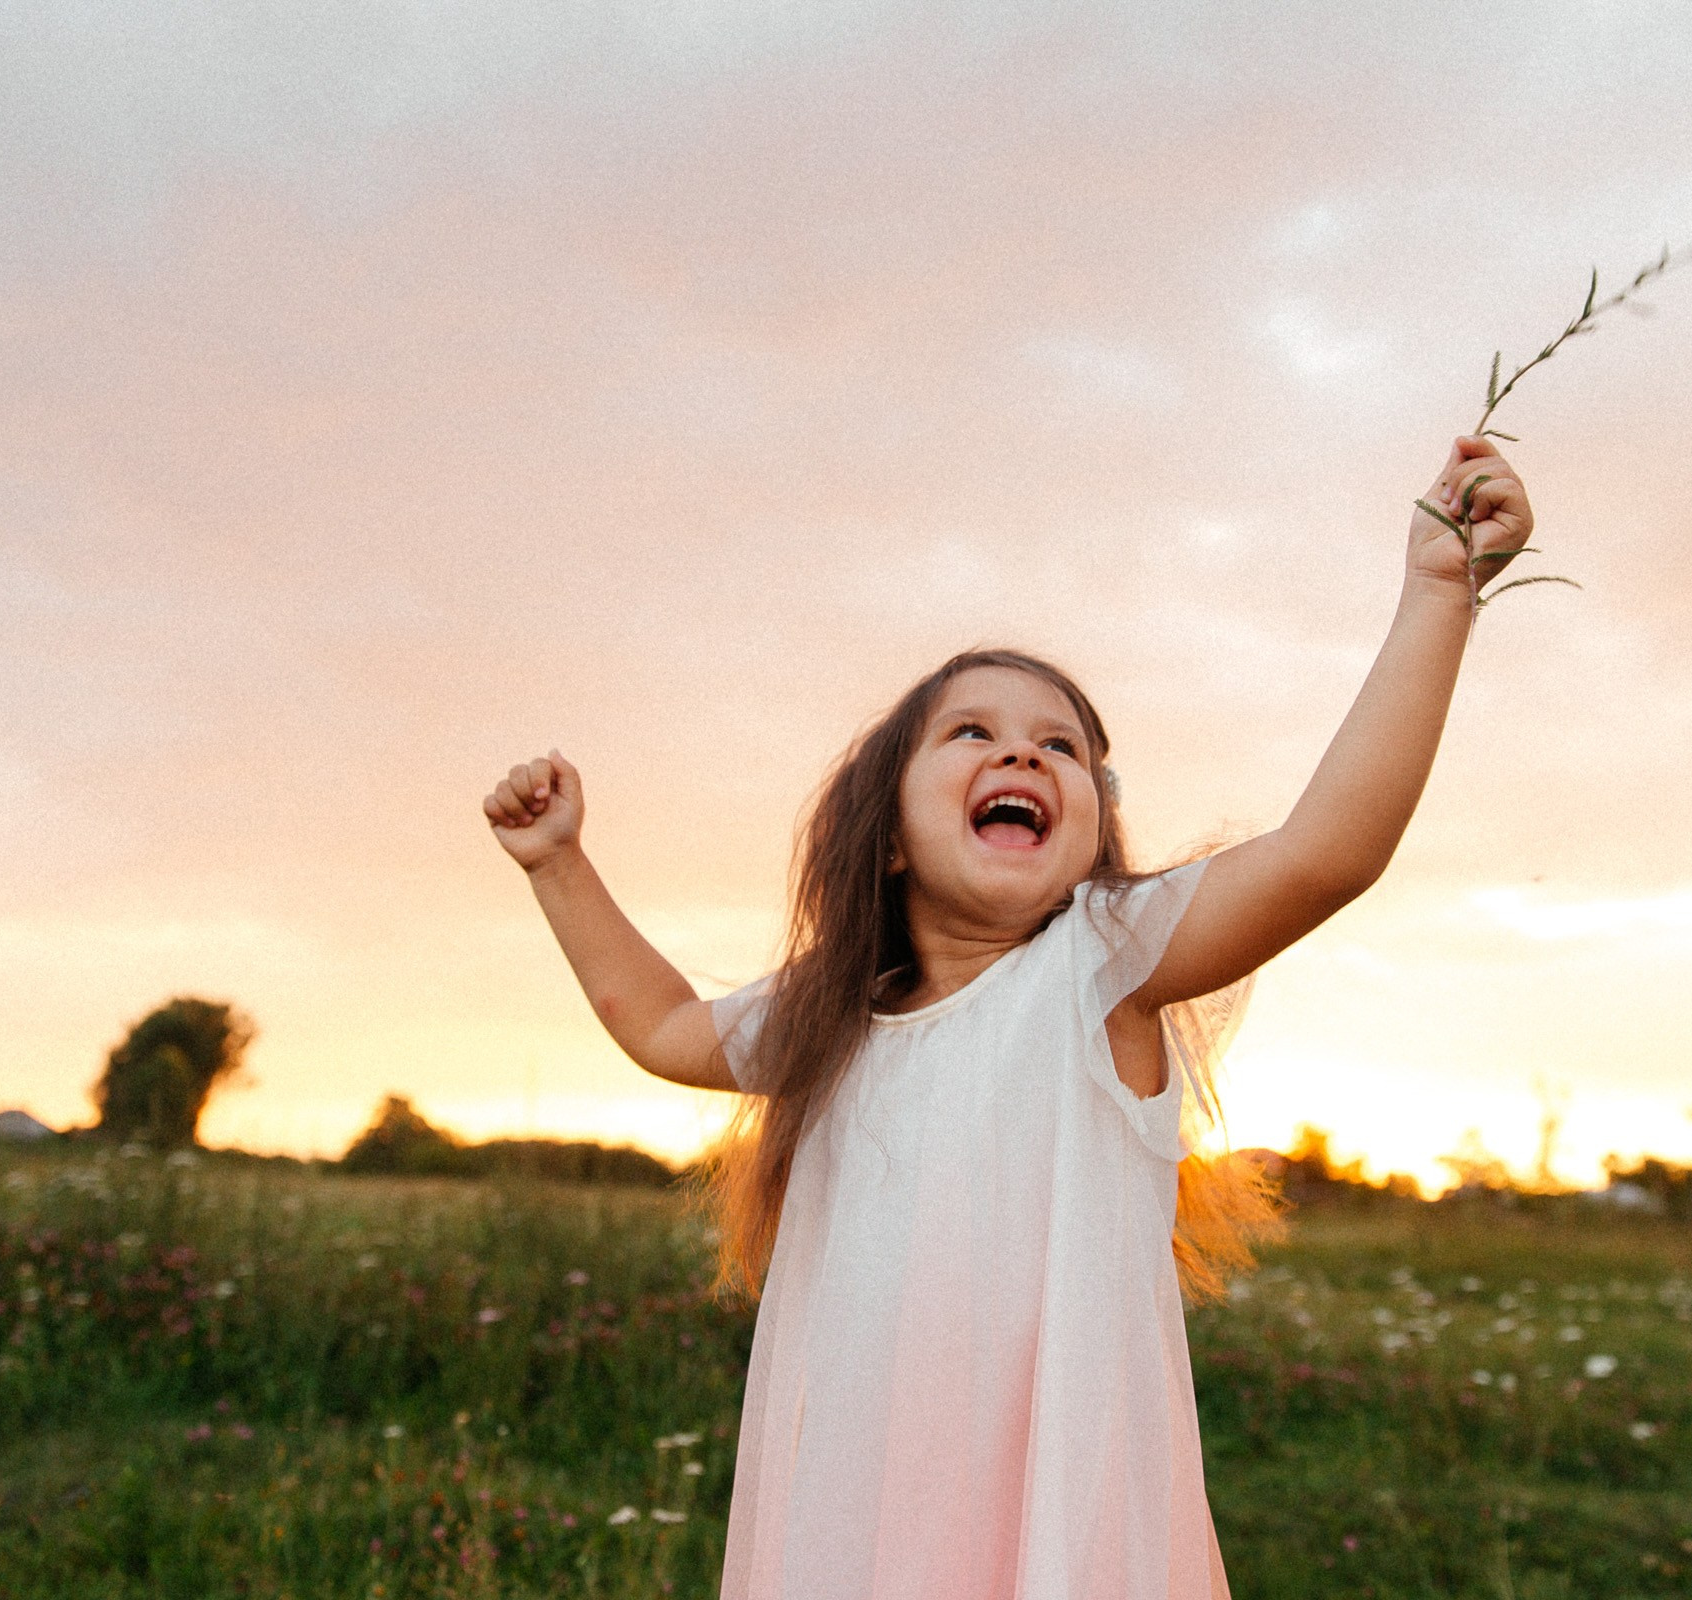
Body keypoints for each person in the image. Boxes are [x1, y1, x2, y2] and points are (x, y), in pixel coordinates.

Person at [485, 436, 1533, 1599]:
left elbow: (1327, 850)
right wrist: (558, 861)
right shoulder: (830, 1022)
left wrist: (1438, 592)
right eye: (972, 732)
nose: (1024, 749)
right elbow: (662, 1022)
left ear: (1089, 833)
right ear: (888, 836)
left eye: (1062, 745)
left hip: (1062, 1540)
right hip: (858, 1529)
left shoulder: (1102, 966)